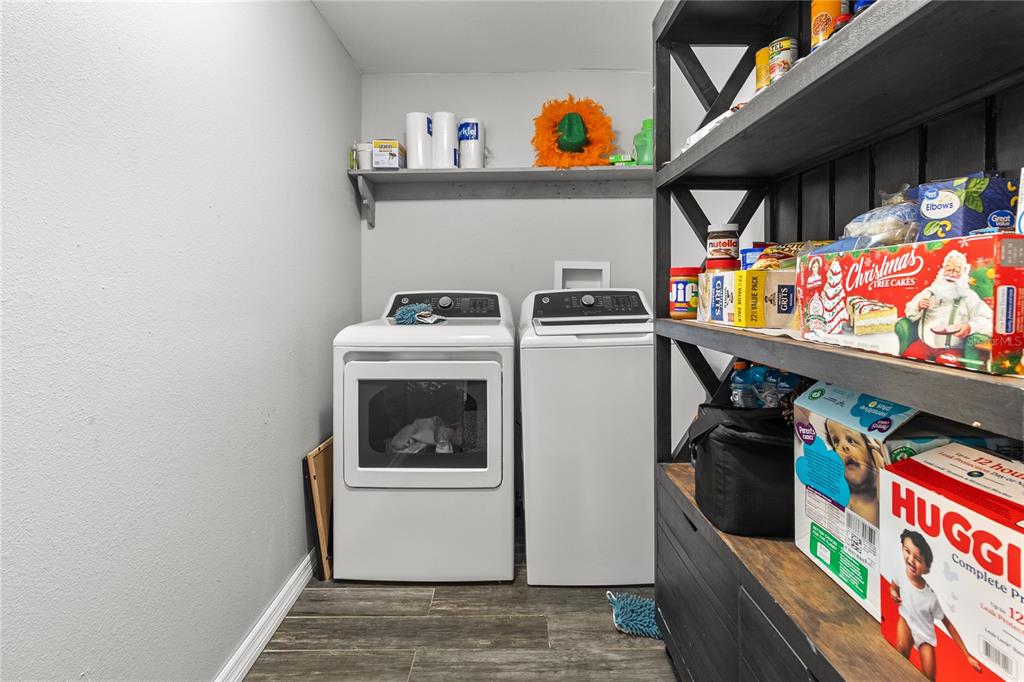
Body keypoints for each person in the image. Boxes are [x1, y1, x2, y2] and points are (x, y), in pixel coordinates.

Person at [890, 530, 982, 681]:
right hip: (906, 621)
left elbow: (948, 625)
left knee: (929, 676)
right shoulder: (901, 571)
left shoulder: (930, 598)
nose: (911, 560)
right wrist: (893, 592)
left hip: (925, 636)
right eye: (907, 551)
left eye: (918, 559)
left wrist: (967, 655)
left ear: (926, 568)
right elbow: (894, 585)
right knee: (900, 651)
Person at [900, 250, 993, 366]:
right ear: (942, 271)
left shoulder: (968, 296)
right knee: (907, 361)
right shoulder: (930, 291)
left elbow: (988, 319)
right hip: (924, 344)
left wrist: (970, 327)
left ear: (964, 273)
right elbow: (909, 310)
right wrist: (918, 306)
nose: (951, 274)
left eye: (956, 271)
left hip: (952, 349)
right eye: (948, 269)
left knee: (946, 366)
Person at [824, 419, 886, 526]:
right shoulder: (848, 500)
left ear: (871, 451)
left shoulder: (882, 486)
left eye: (851, 440)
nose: (843, 447)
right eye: (836, 442)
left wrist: (883, 474)